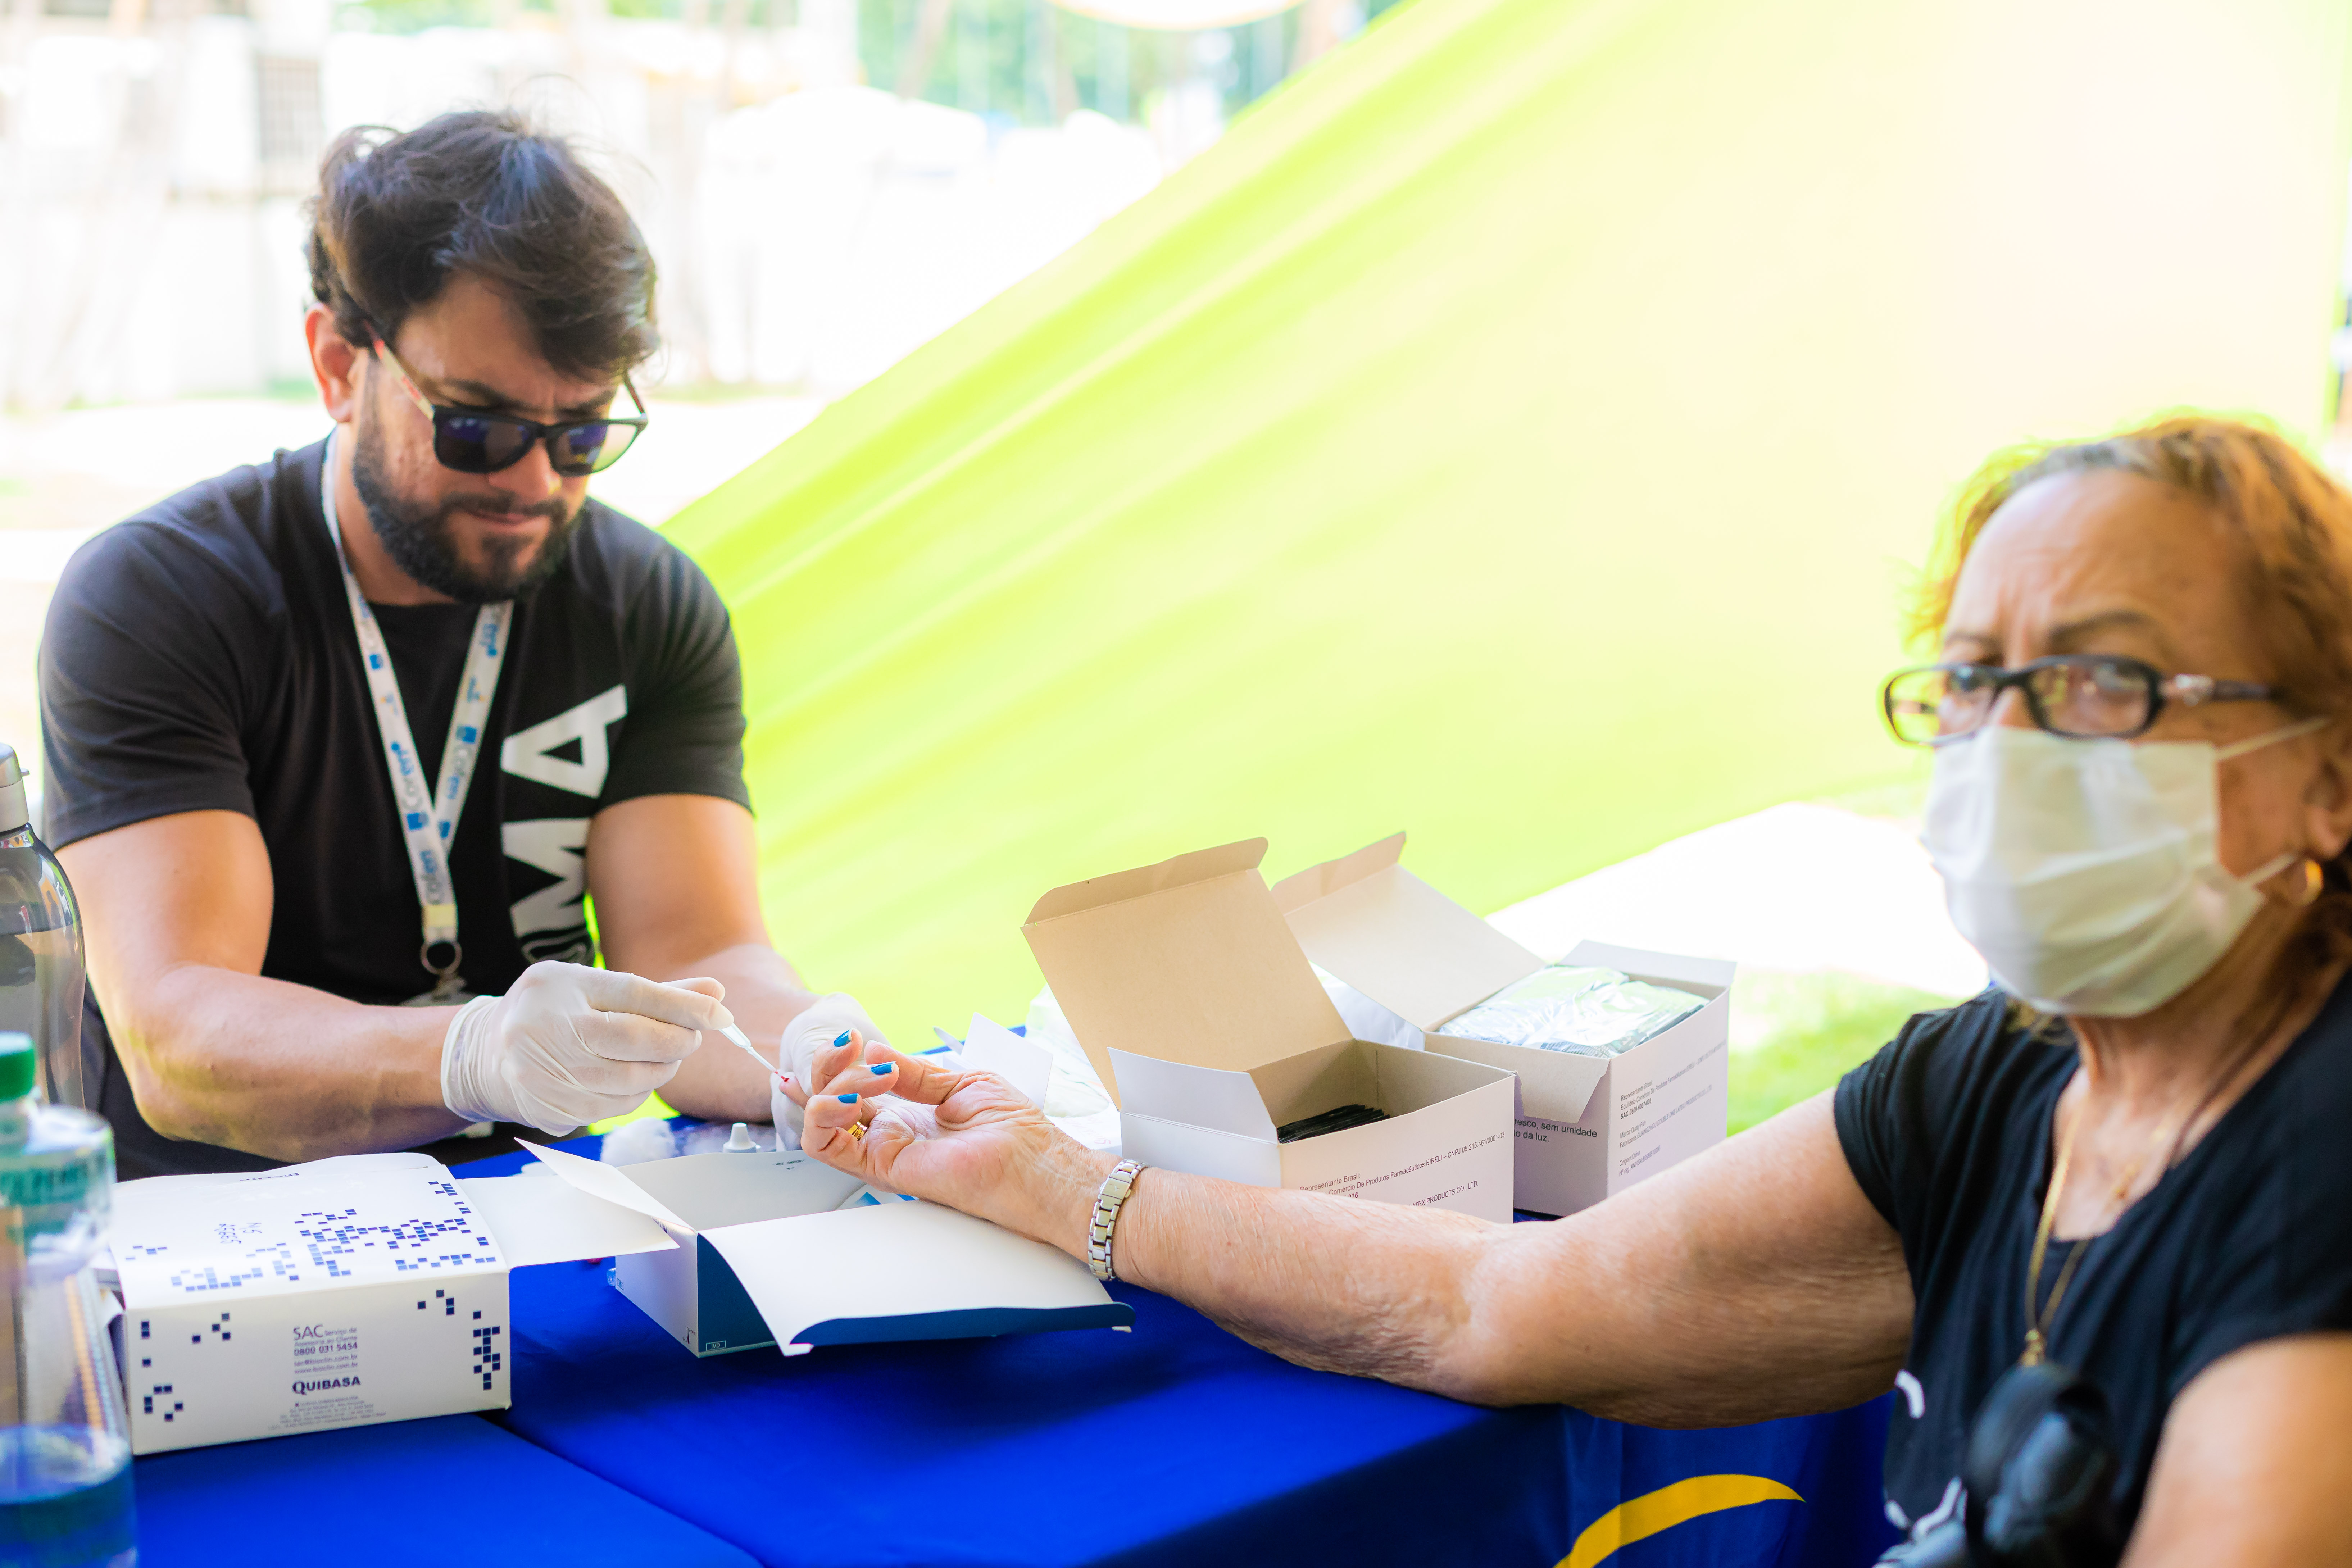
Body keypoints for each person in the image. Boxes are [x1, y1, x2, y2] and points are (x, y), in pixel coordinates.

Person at [781, 417, 2352, 1564]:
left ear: (2330, 775)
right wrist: (1061, 1183)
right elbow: (1499, 1298)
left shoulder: (2314, 1172)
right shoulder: (2000, 1084)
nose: (2010, 749)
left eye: (2105, 680)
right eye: (1968, 682)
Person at [40, 110, 877, 1179]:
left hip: (537, 1211)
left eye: (581, 435)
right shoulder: (163, 596)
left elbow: (699, 958)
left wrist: (809, 1055)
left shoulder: (649, 603)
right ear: (341, 365)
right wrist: (471, 1053)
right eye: (475, 427)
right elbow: (178, 1038)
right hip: (226, 1235)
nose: (535, 485)